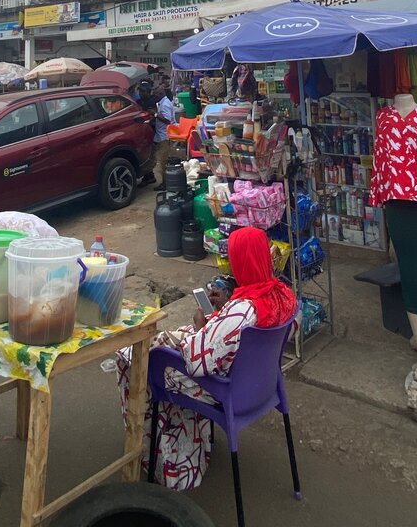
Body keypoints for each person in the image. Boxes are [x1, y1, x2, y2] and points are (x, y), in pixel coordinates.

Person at [116, 227, 297, 490]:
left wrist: (202, 325)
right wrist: (222, 313)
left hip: (226, 390)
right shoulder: (283, 295)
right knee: (167, 343)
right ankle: (189, 448)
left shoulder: (242, 311)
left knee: (136, 361)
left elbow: (197, 361)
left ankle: (154, 455)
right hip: (263, 385)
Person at [152, 88, 177, 186]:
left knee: (163, 161)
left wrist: (155, 115)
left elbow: (167, 120)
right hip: (162, 135)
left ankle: (165, 183)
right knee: (162, 160)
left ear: (160, 94)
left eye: (156, 95)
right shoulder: (163, 102)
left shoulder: (165, 104)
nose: (154, 97)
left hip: (165, 136)